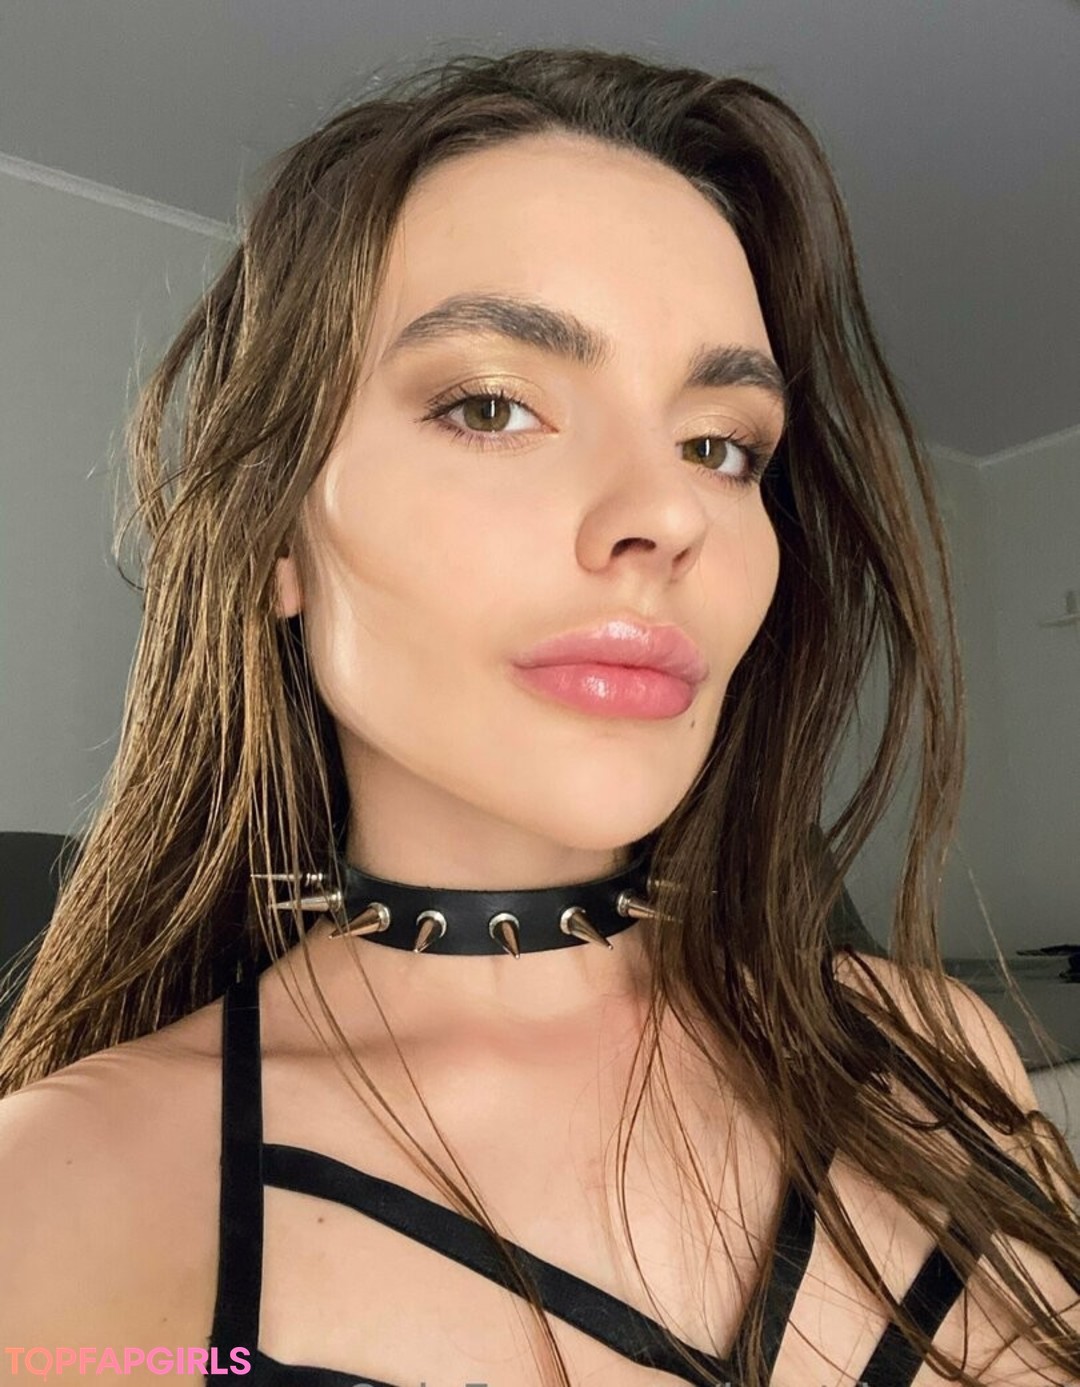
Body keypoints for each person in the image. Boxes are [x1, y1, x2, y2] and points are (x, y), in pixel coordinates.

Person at [0, 45, 1077, 1387]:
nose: (669, 514)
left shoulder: (935, 1051)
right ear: (276, 533)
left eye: (720, 446)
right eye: (493, 406)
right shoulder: (62, 1196)